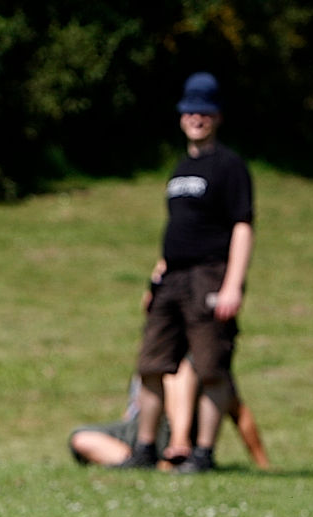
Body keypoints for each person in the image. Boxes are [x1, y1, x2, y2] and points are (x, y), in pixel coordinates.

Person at [120, 71, 255, 474]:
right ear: (181, 116)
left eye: (205, 111)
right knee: (151, 364)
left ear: (217, 116)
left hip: (209, 276)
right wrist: (156, 278)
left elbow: (242, 225)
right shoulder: (179, 170)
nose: (197, 117)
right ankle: (145, 449)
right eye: (190, 110)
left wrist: (232, 285)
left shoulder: (230, 166)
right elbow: (177, 231)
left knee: (210, 367)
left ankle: (203, 453)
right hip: (172, 278)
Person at [69, 359, 269, 469]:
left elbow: (239, 413)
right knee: (81, 438)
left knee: (178, 370)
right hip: (140, 430)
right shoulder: (154, 356)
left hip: (170, 430)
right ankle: (144, 464)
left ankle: (178, 446)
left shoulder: (197, 364)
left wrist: (262, 464)